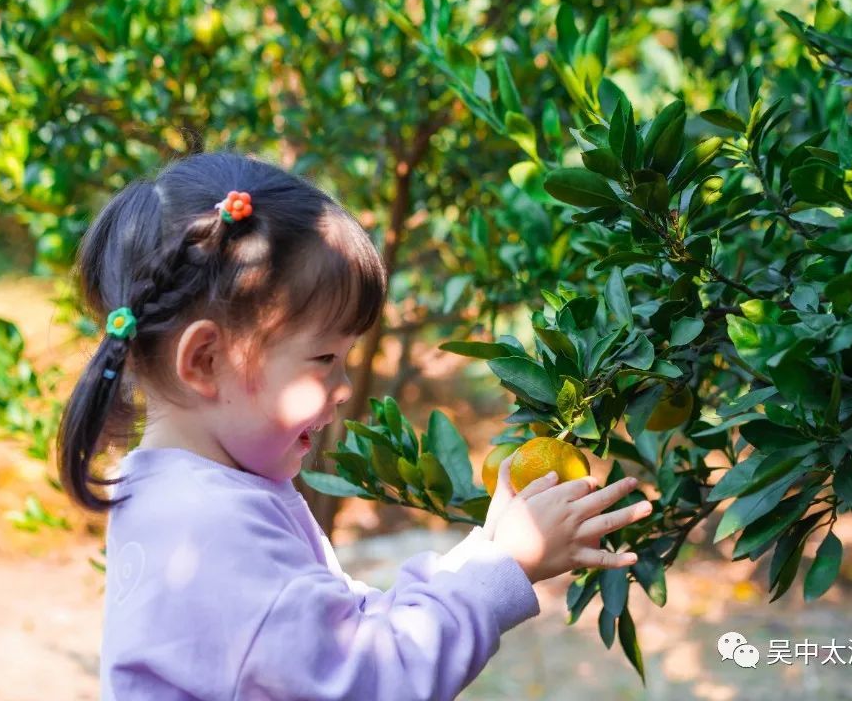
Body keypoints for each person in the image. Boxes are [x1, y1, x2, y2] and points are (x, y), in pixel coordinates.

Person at [56, 151, 651, 700]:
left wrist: (486, 553)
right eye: (323, 360)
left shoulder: (176, 493)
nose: (345, 391)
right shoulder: (211, 530)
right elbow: (368, 680)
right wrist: (506, 570)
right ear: (207, 361)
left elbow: (339, 630)